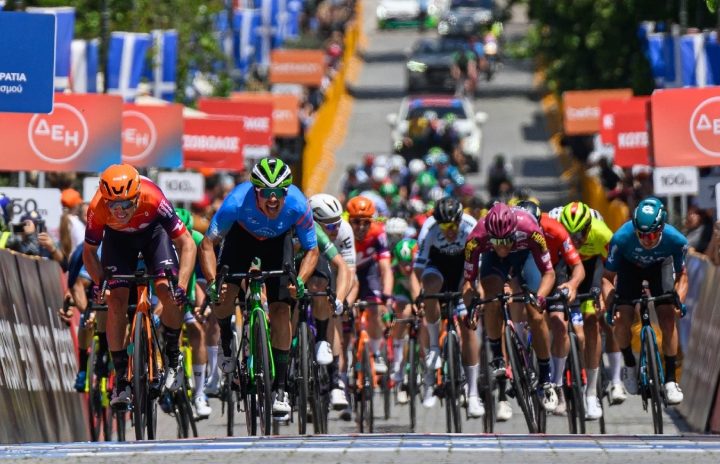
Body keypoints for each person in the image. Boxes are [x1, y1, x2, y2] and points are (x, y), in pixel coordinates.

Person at [199, 158, 318, 416]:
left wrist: (300, 280)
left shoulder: (298, 205)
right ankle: (227, 340)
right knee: (224, 295)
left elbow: (312, 250)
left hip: (278, 243)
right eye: (266, 193)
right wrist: (211, 283)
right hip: (241, 239)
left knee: (281, 310)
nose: (273, 199)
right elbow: (207, 244)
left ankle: (281, 389)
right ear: (255, 192)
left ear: (286, 192)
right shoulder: (236, 202)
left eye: (279, 193)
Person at [83, 164, 197, 406]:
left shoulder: (153, 197)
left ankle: (173, 355)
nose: (120, 211)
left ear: (137, 196)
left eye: (126, 204)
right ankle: (121, 379)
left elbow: (187, 243)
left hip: (154, 234)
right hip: (118, 241)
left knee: (168, 291)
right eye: (113, 205)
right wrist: (100, 282)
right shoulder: (97, 207)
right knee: (115, 302)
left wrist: (182, 285)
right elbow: (89, 252)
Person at [463, 202, 559, 412]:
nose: (502, 247)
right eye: (497, 241)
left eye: (506, 240)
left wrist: (540, 298)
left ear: (514, 231)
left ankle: (546, 379)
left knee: (535, 313)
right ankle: (498, 356)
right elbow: (468, 282)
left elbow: (549, 273)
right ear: (489, 235)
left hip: (525, 255)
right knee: (491, 297)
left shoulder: (530, 229)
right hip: (493, 261)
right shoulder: (476, 237)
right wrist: (471, 307)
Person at [604, 197, 688, 406]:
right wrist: (610, 302)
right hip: (629, 268)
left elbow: (682, 276)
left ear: (661, 229)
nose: (647, 240)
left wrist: (679, 300)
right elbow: (607, 278)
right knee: (621, 318)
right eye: (641, 234)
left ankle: (671, 380)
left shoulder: (676, 240)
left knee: (667, 317)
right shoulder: (621, 238)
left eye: (651, 234)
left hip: (660, 267)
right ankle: (629, 365)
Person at [515, 200, 586, 418]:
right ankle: (522, 356)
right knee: (526, 313)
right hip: (526, 269)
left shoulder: (555, 229)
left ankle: (556, 384)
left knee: (559, 323)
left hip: (553, 270)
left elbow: (578, 267)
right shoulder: (513, 232)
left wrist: (572, 284)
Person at [415, 197, 483, 417]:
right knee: (430, 286)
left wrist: (477, 292)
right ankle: (435, 347)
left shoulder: (471, 227)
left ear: (460, 221)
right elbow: (419, 267)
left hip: (463, 270)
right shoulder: (429, 229)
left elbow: (478, 267)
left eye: (453, 226)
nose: (450, 231)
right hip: (437, 268)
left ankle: (473, 394)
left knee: (468, 329)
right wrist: (422, 295)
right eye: (445, 227)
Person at [557, 201, 621, 419]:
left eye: (580, 234)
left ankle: (591, 393)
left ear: (589, 227)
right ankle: (557, 382)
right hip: (565, 269)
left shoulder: (602, 233)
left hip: (593, 269)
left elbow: (613, 271)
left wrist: (606, 295)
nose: (576, 240)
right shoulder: (556, 234)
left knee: (592, 321)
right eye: (570, 235)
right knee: (557, 320)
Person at [309, 193, 356, 419]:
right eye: (329, 226)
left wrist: (341, 302)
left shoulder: (344, 231)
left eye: (337, 223)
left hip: (336, 271)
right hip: (310, 265)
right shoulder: (303, 228)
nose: (335, 229)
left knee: (334, 316)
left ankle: (336, 380)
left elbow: (350, 273)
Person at [346, 195, 394, 375]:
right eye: (356, 222)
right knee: (345, 312)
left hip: (368, 270)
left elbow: (386, 268)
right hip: (347, 270)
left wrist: (386, 297)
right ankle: (347, 352)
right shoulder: (343, 230)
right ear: (349, 219)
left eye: (366, 222)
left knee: (374, 308)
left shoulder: (378, 232)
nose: (361, 227)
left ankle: (376, 352)